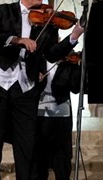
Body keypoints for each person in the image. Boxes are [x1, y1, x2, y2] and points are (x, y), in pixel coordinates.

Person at [0, 0, 85, 180]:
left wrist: (73, 36)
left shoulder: (48, 22)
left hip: (25, 88)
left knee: (27, 147)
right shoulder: (4, 11)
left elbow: (52, 55)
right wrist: (17, 40)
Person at [33, 51, 83, 180]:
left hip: (62, 114)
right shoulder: (37, 59)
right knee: (40, 160)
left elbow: (75, 88)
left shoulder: (67, 62)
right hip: (40, 114)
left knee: (62, 160)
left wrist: (77, 65)